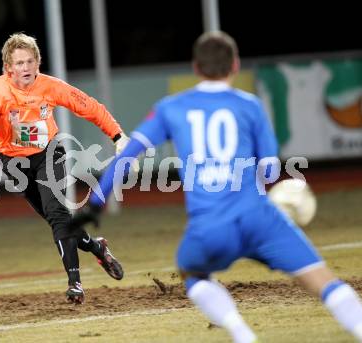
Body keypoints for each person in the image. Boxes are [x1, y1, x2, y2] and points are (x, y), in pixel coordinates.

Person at [72, 31, 362, 342]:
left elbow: (129, 155)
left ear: (196, 68)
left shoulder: (171, 108)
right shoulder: (250, 105)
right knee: (322, 280)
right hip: (259, 217)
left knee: (191, 274)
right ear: (235, 66)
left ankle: (241, 333)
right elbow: (269, 169)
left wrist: (96, 203)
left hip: (210, 226)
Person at [0, 32, 128, 304]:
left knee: (58, 214)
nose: (25, 68)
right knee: (58, 220)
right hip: (14, 164)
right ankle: (97, 248)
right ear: (8, 68)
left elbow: (90, 108)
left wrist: (118, 136)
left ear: (38, 63)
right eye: (19, 63)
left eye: (29, 61)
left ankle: (75, 284)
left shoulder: (51, 86)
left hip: (50, 154)